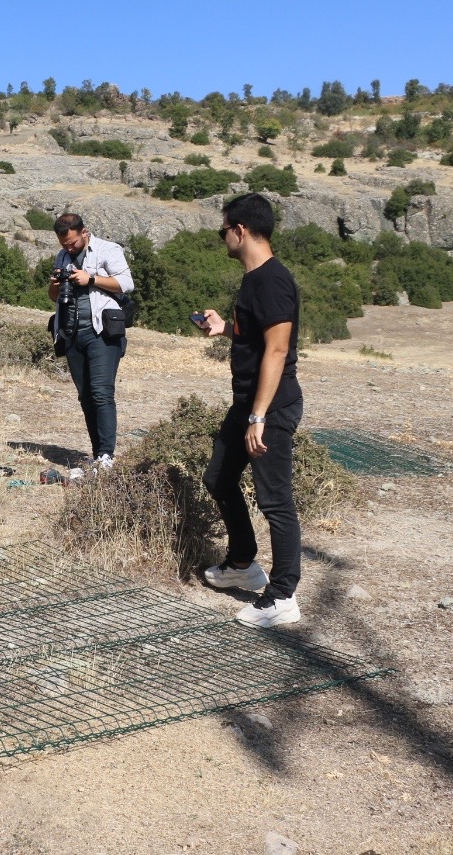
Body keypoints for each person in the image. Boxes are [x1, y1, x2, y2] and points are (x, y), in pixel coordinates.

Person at [192, 192, 305, 629]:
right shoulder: (253, 279)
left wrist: (258, 416)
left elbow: (277, 351)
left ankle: (282, 595)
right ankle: (242, 563)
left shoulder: (273, 280)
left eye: (224, 229)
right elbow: (257, 340)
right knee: (218, 477)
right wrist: (224, 329)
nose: (222, 236)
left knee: (275, 500)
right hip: (248, 403)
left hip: (270, 407)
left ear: (241, 230)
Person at [47, 213, 133, 470]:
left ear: (84, 232)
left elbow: (127, 284)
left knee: (101, 392)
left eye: (72, 243)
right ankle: (98, 455)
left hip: (102, 332)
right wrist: (55, 283)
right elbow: (53, 296)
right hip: (72, 333)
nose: (68, 248)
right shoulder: (62, 256)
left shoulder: (108, 249)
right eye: (64, 244)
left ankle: (107, 454)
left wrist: (91, 279)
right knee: (85, 396)